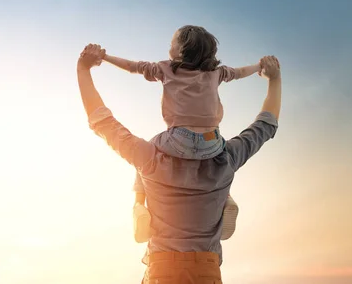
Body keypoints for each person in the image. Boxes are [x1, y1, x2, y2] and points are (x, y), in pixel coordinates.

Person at [76, 44, 282, 284]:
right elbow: (265, 126)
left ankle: (140, 205)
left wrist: (84, 69)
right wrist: (274, 79)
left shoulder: (149, 156)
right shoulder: (228, 156)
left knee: (142, 171)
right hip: (207, 269)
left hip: (162, 268)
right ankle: (221, 199)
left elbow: (102, 121)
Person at [102, 25, 262, 243]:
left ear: (182, 50)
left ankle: (139, 204)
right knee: (225, 162)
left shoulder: (166, 68)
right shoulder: (216, 72)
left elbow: (133, 67)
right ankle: (226, 198)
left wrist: (105, 57)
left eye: (172, 42)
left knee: (145, 153)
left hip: (178, 139)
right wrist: (259, 66)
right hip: (212, 142)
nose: (169, 45)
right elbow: (241, 72)